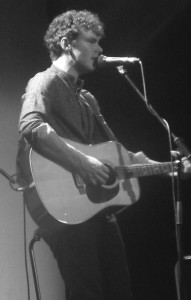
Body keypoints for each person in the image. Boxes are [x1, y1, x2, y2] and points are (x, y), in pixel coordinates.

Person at [17, 9, 191, 300]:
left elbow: (115, 155)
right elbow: (32, 127)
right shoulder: (43, 82)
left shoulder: (87, 99)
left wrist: (166, 167)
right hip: (61, 209)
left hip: (95, 212)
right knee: (88, 293)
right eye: (93, 40)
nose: (100, 49)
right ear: (66, 43)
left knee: (120, 290)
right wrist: (82, 163)